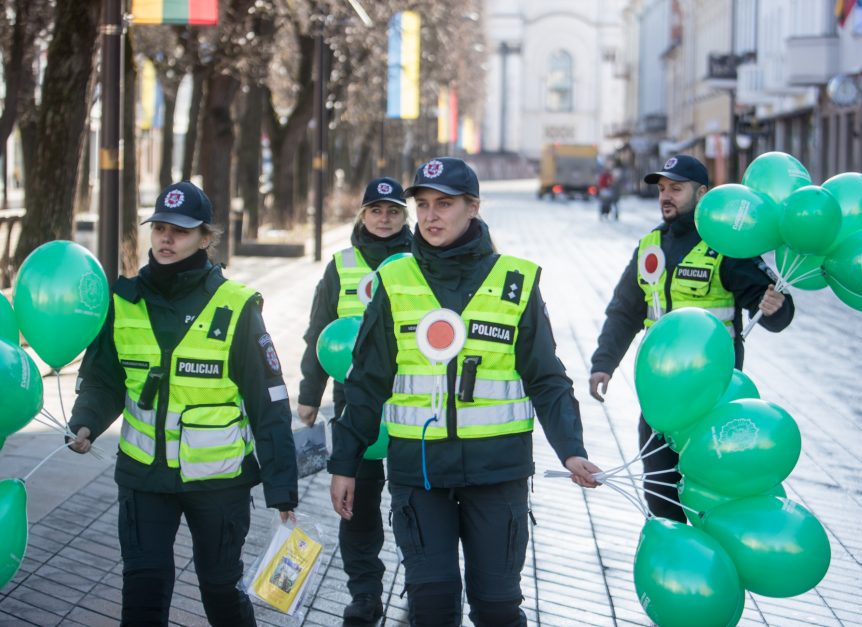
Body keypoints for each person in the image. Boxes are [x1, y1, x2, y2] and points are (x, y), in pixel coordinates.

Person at [328, 157, 601, 626]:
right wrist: (345, 464)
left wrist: (571, 449)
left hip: (497, 472)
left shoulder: (516, 282)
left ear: (473, 207)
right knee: (431, 609)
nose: (431, 216)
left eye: (445, 204)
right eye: (424, 205)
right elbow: (366, 381)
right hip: (421, 474)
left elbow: (546, 377)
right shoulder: (395, 283)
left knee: (497, 608)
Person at [67, 181, 298, 626]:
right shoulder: (124, 302)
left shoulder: (236, 306)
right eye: (159, 228)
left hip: (218, 483)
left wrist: (281, 487)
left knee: (219, 589)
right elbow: (104, 380)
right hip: (143, 477)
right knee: (143, 590)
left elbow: (268, 401)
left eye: (181, 230)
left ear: (205, 238)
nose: (167, 238)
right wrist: (86, 422)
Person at [588, 154, 795, 523]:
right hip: (660, 401)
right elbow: (625, 311)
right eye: (663, 189)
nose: (666, 196)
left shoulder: (727, 248)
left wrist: (777, 307)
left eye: (676, 189)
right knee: (659, 495)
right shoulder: (651, 245)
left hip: (712, 403)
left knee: (710, 500)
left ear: (703, 193)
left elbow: (772, 313)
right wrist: (603, 363)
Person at [297, 176, 413, 623]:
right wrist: (310, 396)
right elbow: (318, 332)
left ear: (406, 216)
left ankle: (420, 584)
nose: (384, 219)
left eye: (393, 211)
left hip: (411, 403)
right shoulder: (341, 266)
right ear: (362, 215)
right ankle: (364, 593)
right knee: (357, 503)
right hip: (355, 405)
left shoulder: (421, 260)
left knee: (412, 503)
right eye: (376, 211)